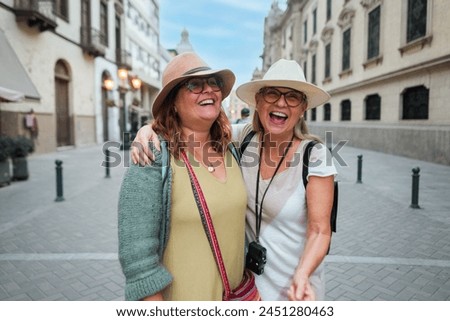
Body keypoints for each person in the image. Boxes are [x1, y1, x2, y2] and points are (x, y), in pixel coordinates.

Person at [132, 59, 337, 301]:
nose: (281, 102)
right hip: (249, 289)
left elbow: (320, 231)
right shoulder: (243, 139)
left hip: (296, 289)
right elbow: (196, 121)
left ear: (302, 108)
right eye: (272, 94)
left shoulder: (316, 156)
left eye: (292, 97)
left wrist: (303, 275)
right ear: (258, 101)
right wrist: (148, 129)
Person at [118, 52, 248, 301]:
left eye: (214, 83)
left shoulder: (233, 148)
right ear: (173, 102)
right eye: (195, 85)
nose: (208, 90)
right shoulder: (152, 156)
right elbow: (138, 259)